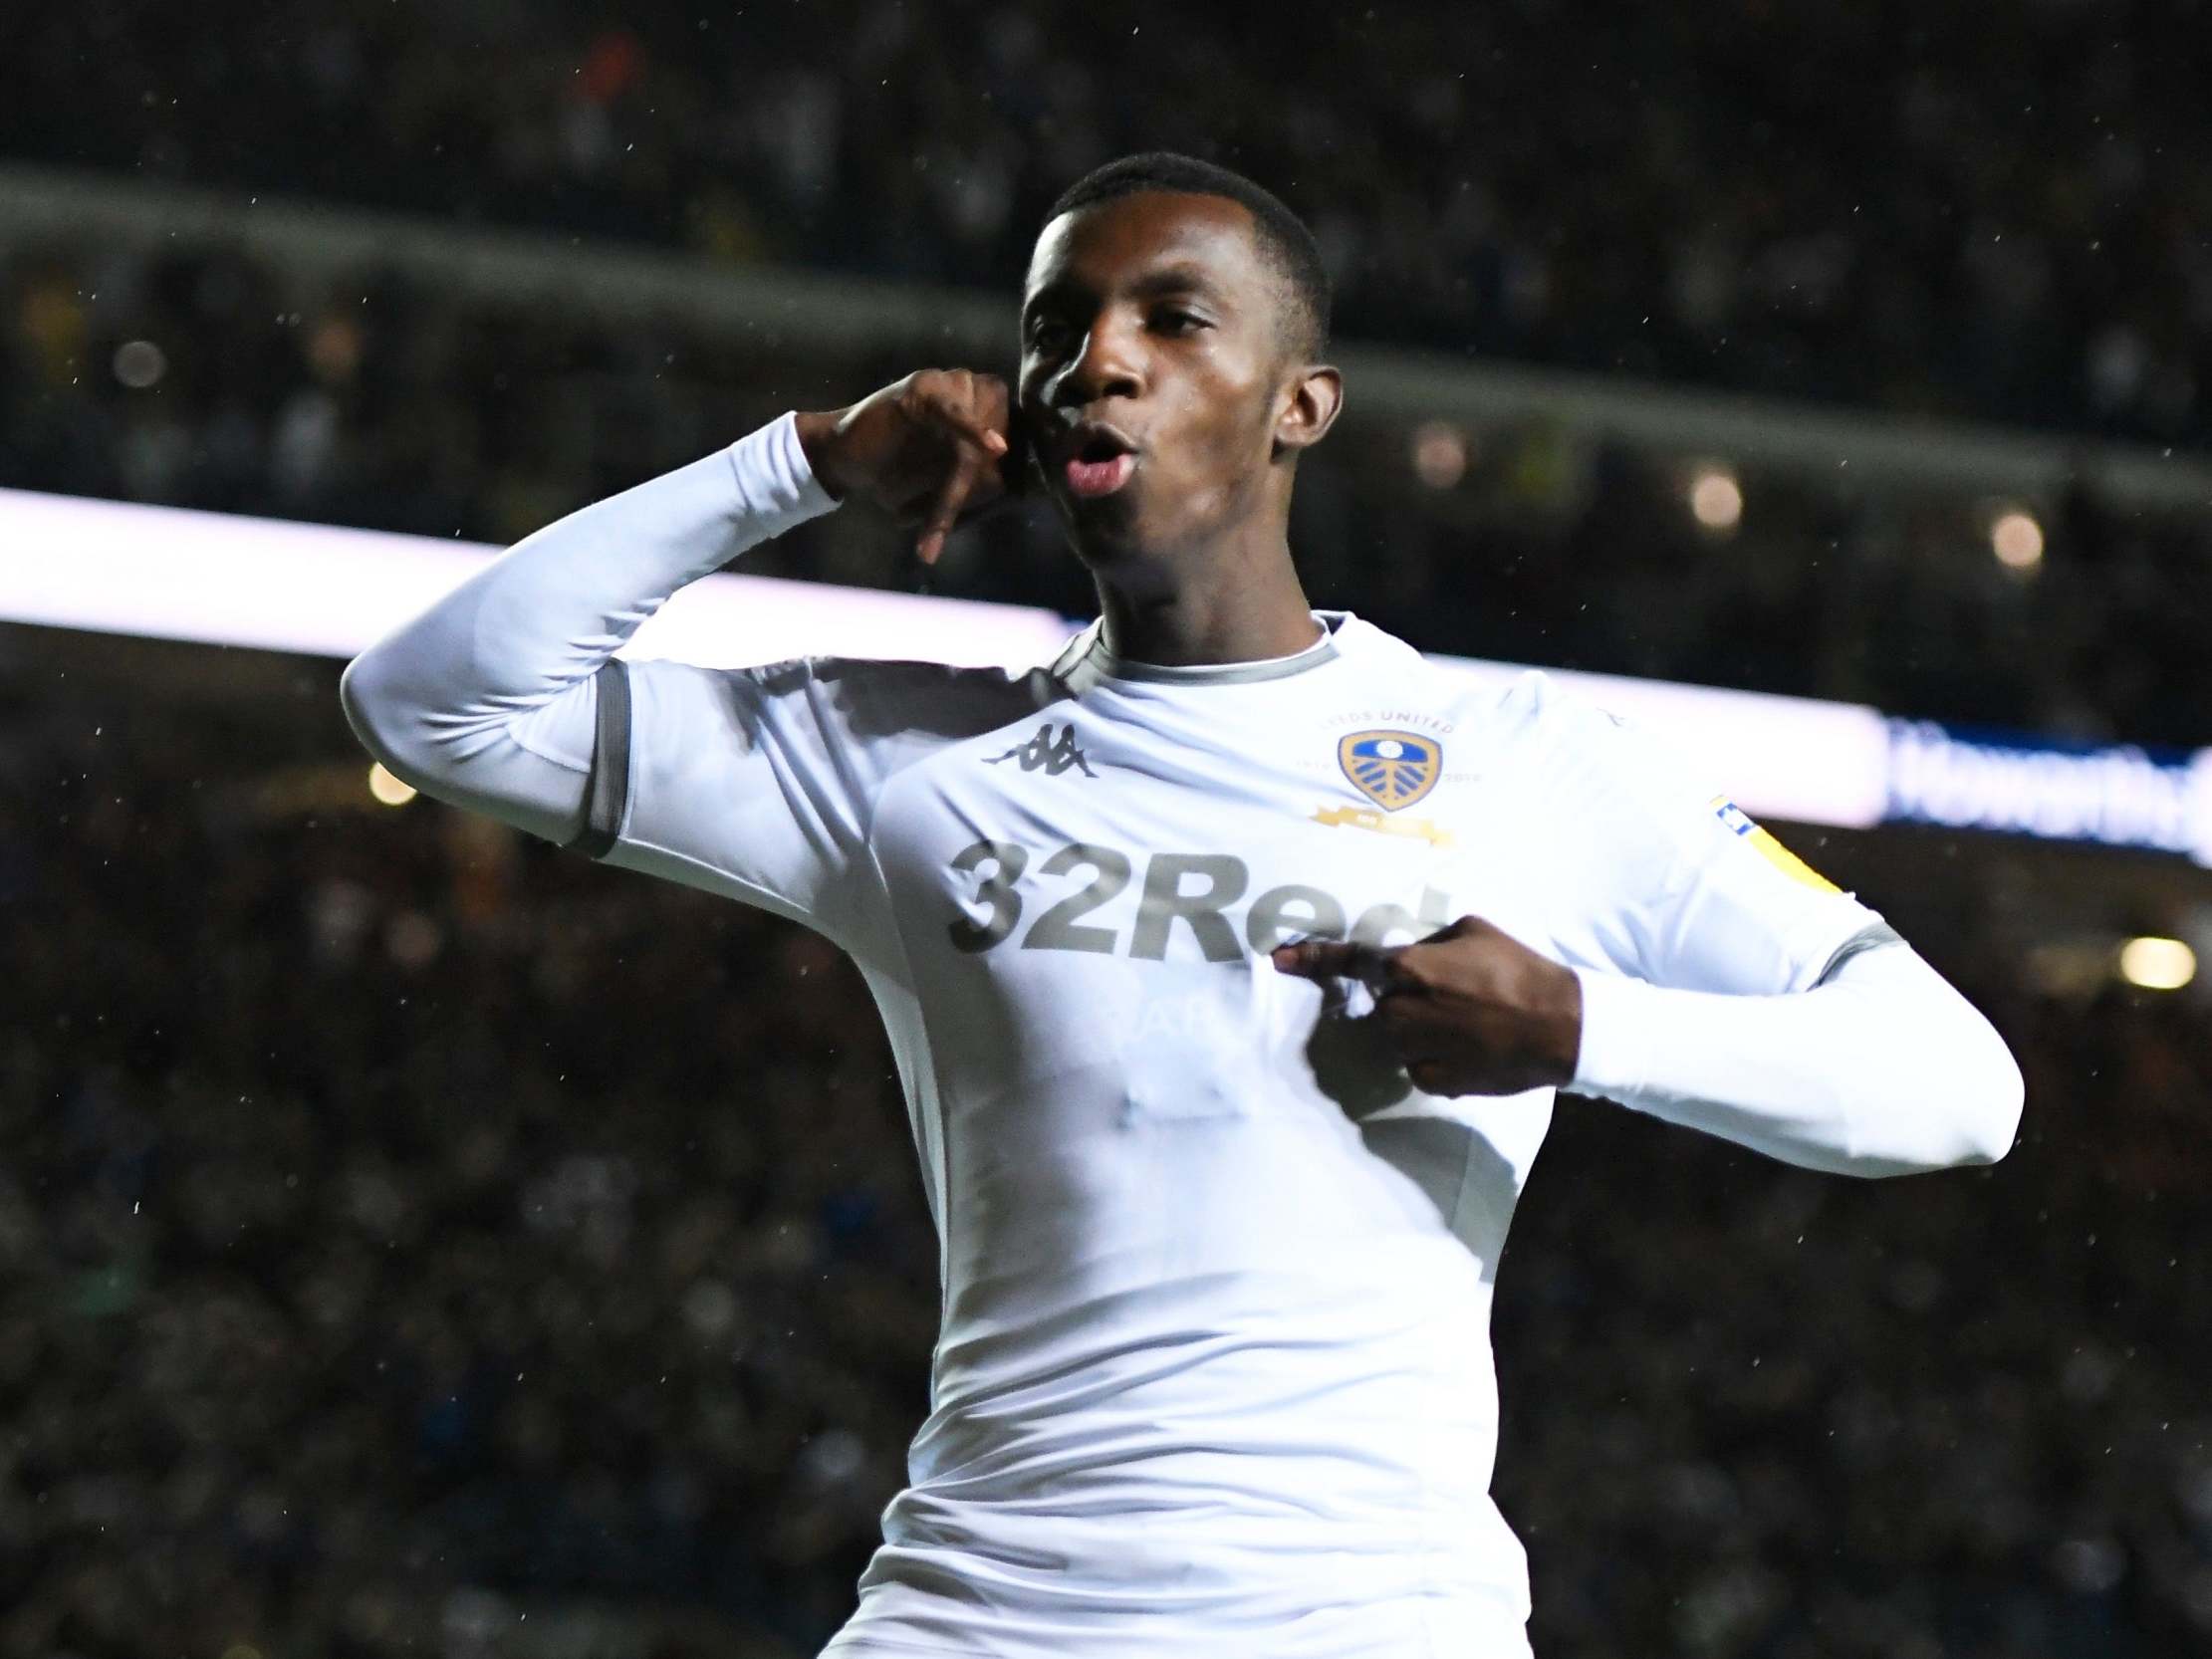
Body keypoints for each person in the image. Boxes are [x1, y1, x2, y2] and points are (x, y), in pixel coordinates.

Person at [341, 152, 2024, 1658]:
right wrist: (797, 463)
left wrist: (1584, 1029)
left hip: (1370, 1618)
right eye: (1056, 325)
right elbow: (429, 707)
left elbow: (1959, 1088)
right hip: (973, 1613)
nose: (1099, 361)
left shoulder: (1522, 760)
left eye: (1172, 319)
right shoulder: (908, 756)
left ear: (1300, 404)